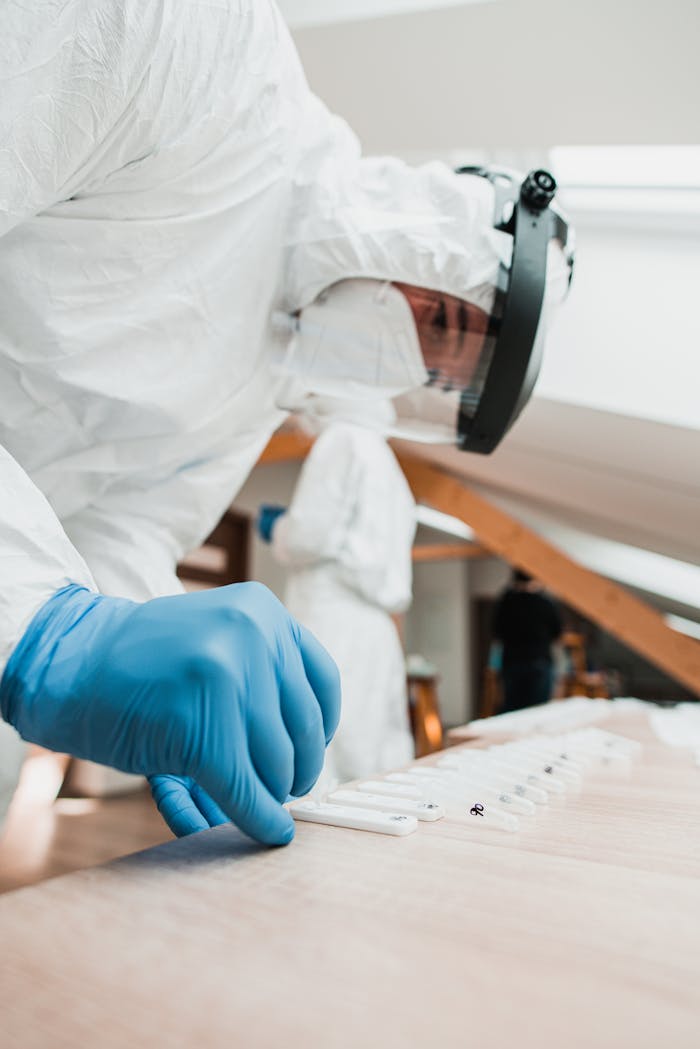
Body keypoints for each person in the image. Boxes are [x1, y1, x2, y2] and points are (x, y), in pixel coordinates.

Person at [0, 2, 572, 843]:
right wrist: (43, 629)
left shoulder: (260, 390)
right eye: (438, 324)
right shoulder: (206, 51)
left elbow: (126, 530)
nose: (403, 365)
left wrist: (141, 639)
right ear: (429, 232)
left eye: (430, 377)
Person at [258, 402, 416, 790]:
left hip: (333, 618)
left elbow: (308, 536)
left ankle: (318, 848)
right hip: (375, 627)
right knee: (374, 749)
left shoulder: (341, 440)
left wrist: (279, 526)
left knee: (324, 747)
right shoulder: (389, 463)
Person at [492, 570, 563, 713]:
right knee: (538, 710)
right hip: (538, 661)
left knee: (513, 709)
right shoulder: (544, 602)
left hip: (513, 661)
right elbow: (557, 632)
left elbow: (496, 631)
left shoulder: (506, 601)